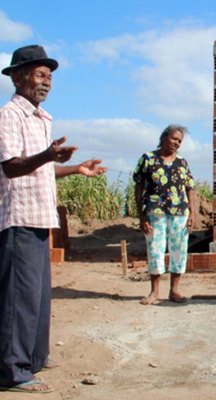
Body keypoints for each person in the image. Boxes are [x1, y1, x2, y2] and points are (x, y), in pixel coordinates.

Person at [0, 44, 108, 394]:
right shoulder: (9, 115)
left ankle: (35, 357)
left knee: (38, 295)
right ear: (18, 77)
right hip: (18, 217)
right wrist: (48, 154)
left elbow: (42, 170)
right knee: (19, 296)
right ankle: (12, 371)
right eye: (39, 74)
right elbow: (11, 166)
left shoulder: (42, 118)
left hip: (39, 217)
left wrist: (75, 168)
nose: (46, 81)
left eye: (49, 76)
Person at [133, 124, 195, 305]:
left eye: (180, 141)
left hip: (180, 213)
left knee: (179, 251)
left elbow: (190, 187)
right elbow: (138, 187)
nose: (177, 143)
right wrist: (141, 215)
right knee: (155, 250)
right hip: (155, 213)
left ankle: (174, 291)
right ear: (164, 137)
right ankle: (154, 292)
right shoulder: (148, 159)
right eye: (174, 139)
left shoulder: (182, 162)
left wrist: (192, 213)